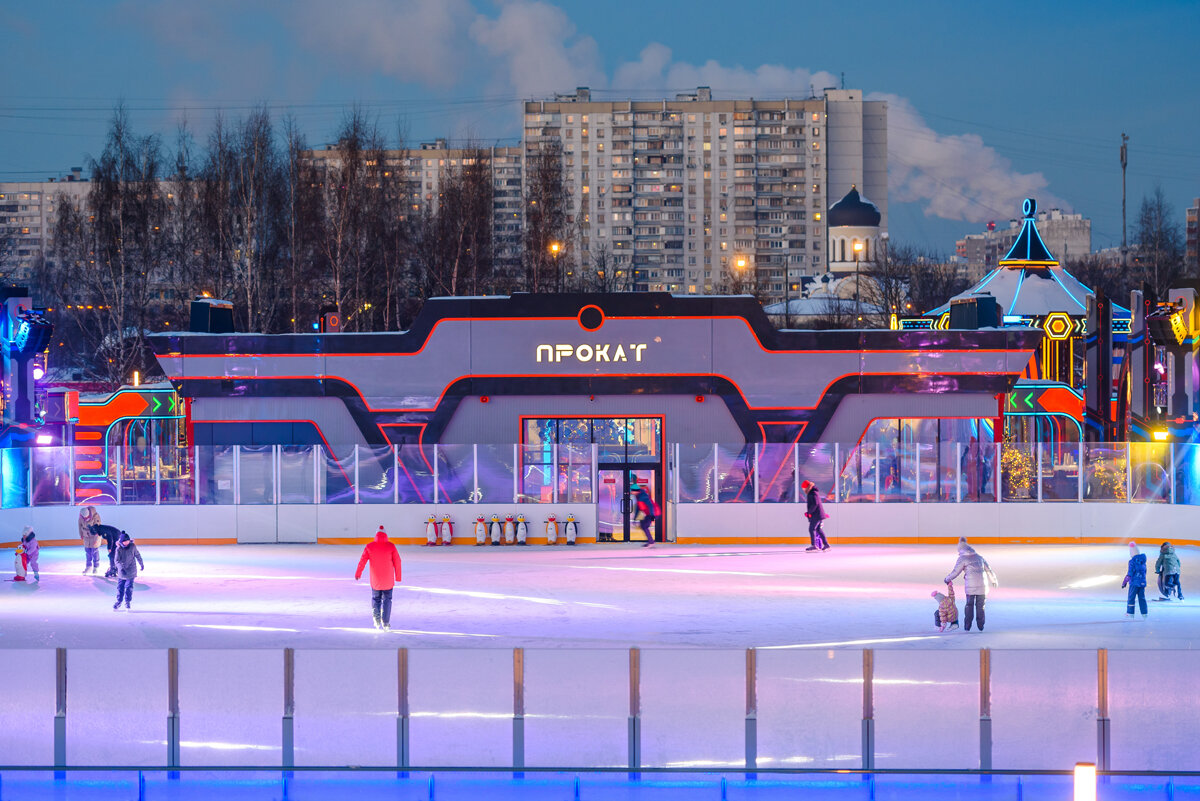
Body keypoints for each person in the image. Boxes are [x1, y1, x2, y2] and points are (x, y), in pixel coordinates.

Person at [944, 536, 998, 632]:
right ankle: (981, 625)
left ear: (960, 550)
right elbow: (989, 570)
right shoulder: (979, 557)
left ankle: (967, 626)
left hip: (970, 587)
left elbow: (956, 572)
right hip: (983, 586)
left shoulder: (962, 558)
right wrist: (994, 580)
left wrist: (947, 579)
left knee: (969, 605)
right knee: (981, 606)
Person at [355, 525, 402, 630]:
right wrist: (398, 577)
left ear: (376, 535)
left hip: (375, 580)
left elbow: (362, 561)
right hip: (388, 581)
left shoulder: (369, 546)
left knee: (376, 599)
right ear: (386, 535)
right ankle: (385, 622)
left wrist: (358, 573)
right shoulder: (391, 546)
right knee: (387, 600)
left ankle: (376, 618)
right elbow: (398, 562)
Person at [112, 531, 144, 611]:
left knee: (129, 587)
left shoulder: (132, 546)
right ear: (121, 542)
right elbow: (116, 561)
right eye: (124, 541)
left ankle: (127, 602)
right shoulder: (118, 549)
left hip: (131, 570)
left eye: (127, 541)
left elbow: (137, 555)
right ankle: (119, 601)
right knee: (120, 587)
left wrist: (141, 563)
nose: (126, 543)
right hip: (122, 571)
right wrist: (120, 568)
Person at [801, 480, 830, 551]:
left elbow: (815, 504)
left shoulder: (812, 493)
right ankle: (826, 545)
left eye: (804, 488)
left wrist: (809, 512)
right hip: (818, 514)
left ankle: (814, 545)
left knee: (812, 529)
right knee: (818, 529)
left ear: (806, 487)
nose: (803, 490)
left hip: (816, 515)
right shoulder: (813, 492)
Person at [1123, 540, 1148, 618]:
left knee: (1131, 597)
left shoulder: (1132, 562)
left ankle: (1130, 613)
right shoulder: (1143, 562)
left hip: (1134, 583)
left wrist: (1124, 582)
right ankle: (1144, 613)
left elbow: (1130, 573)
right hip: (1142, 583)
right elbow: (1145, 572)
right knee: (1142, 598)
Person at [631, 481, 658, 547]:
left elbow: (651, 505)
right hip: (649, 514)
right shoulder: (638, 496)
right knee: (643, 525)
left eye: (632, 491)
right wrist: (635, 518)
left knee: (644, 526)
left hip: (654, 513)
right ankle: (650, 541)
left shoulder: (643, 497)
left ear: (636, 491)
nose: (631, 493)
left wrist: (652, 517)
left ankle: (651, 542)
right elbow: (638, 508)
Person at [79, 506, 102, 575]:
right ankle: (88, 566)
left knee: (94, 552)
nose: (85, 518)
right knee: (87, 552)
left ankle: (96, 567)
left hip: (95, 536)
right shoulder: (81, 516)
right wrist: (81, 534)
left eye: (86, 517)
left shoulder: (96, 516)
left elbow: (98, 529)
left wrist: (96, 540)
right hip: (86, 536)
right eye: (84, 517)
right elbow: (79, 525)